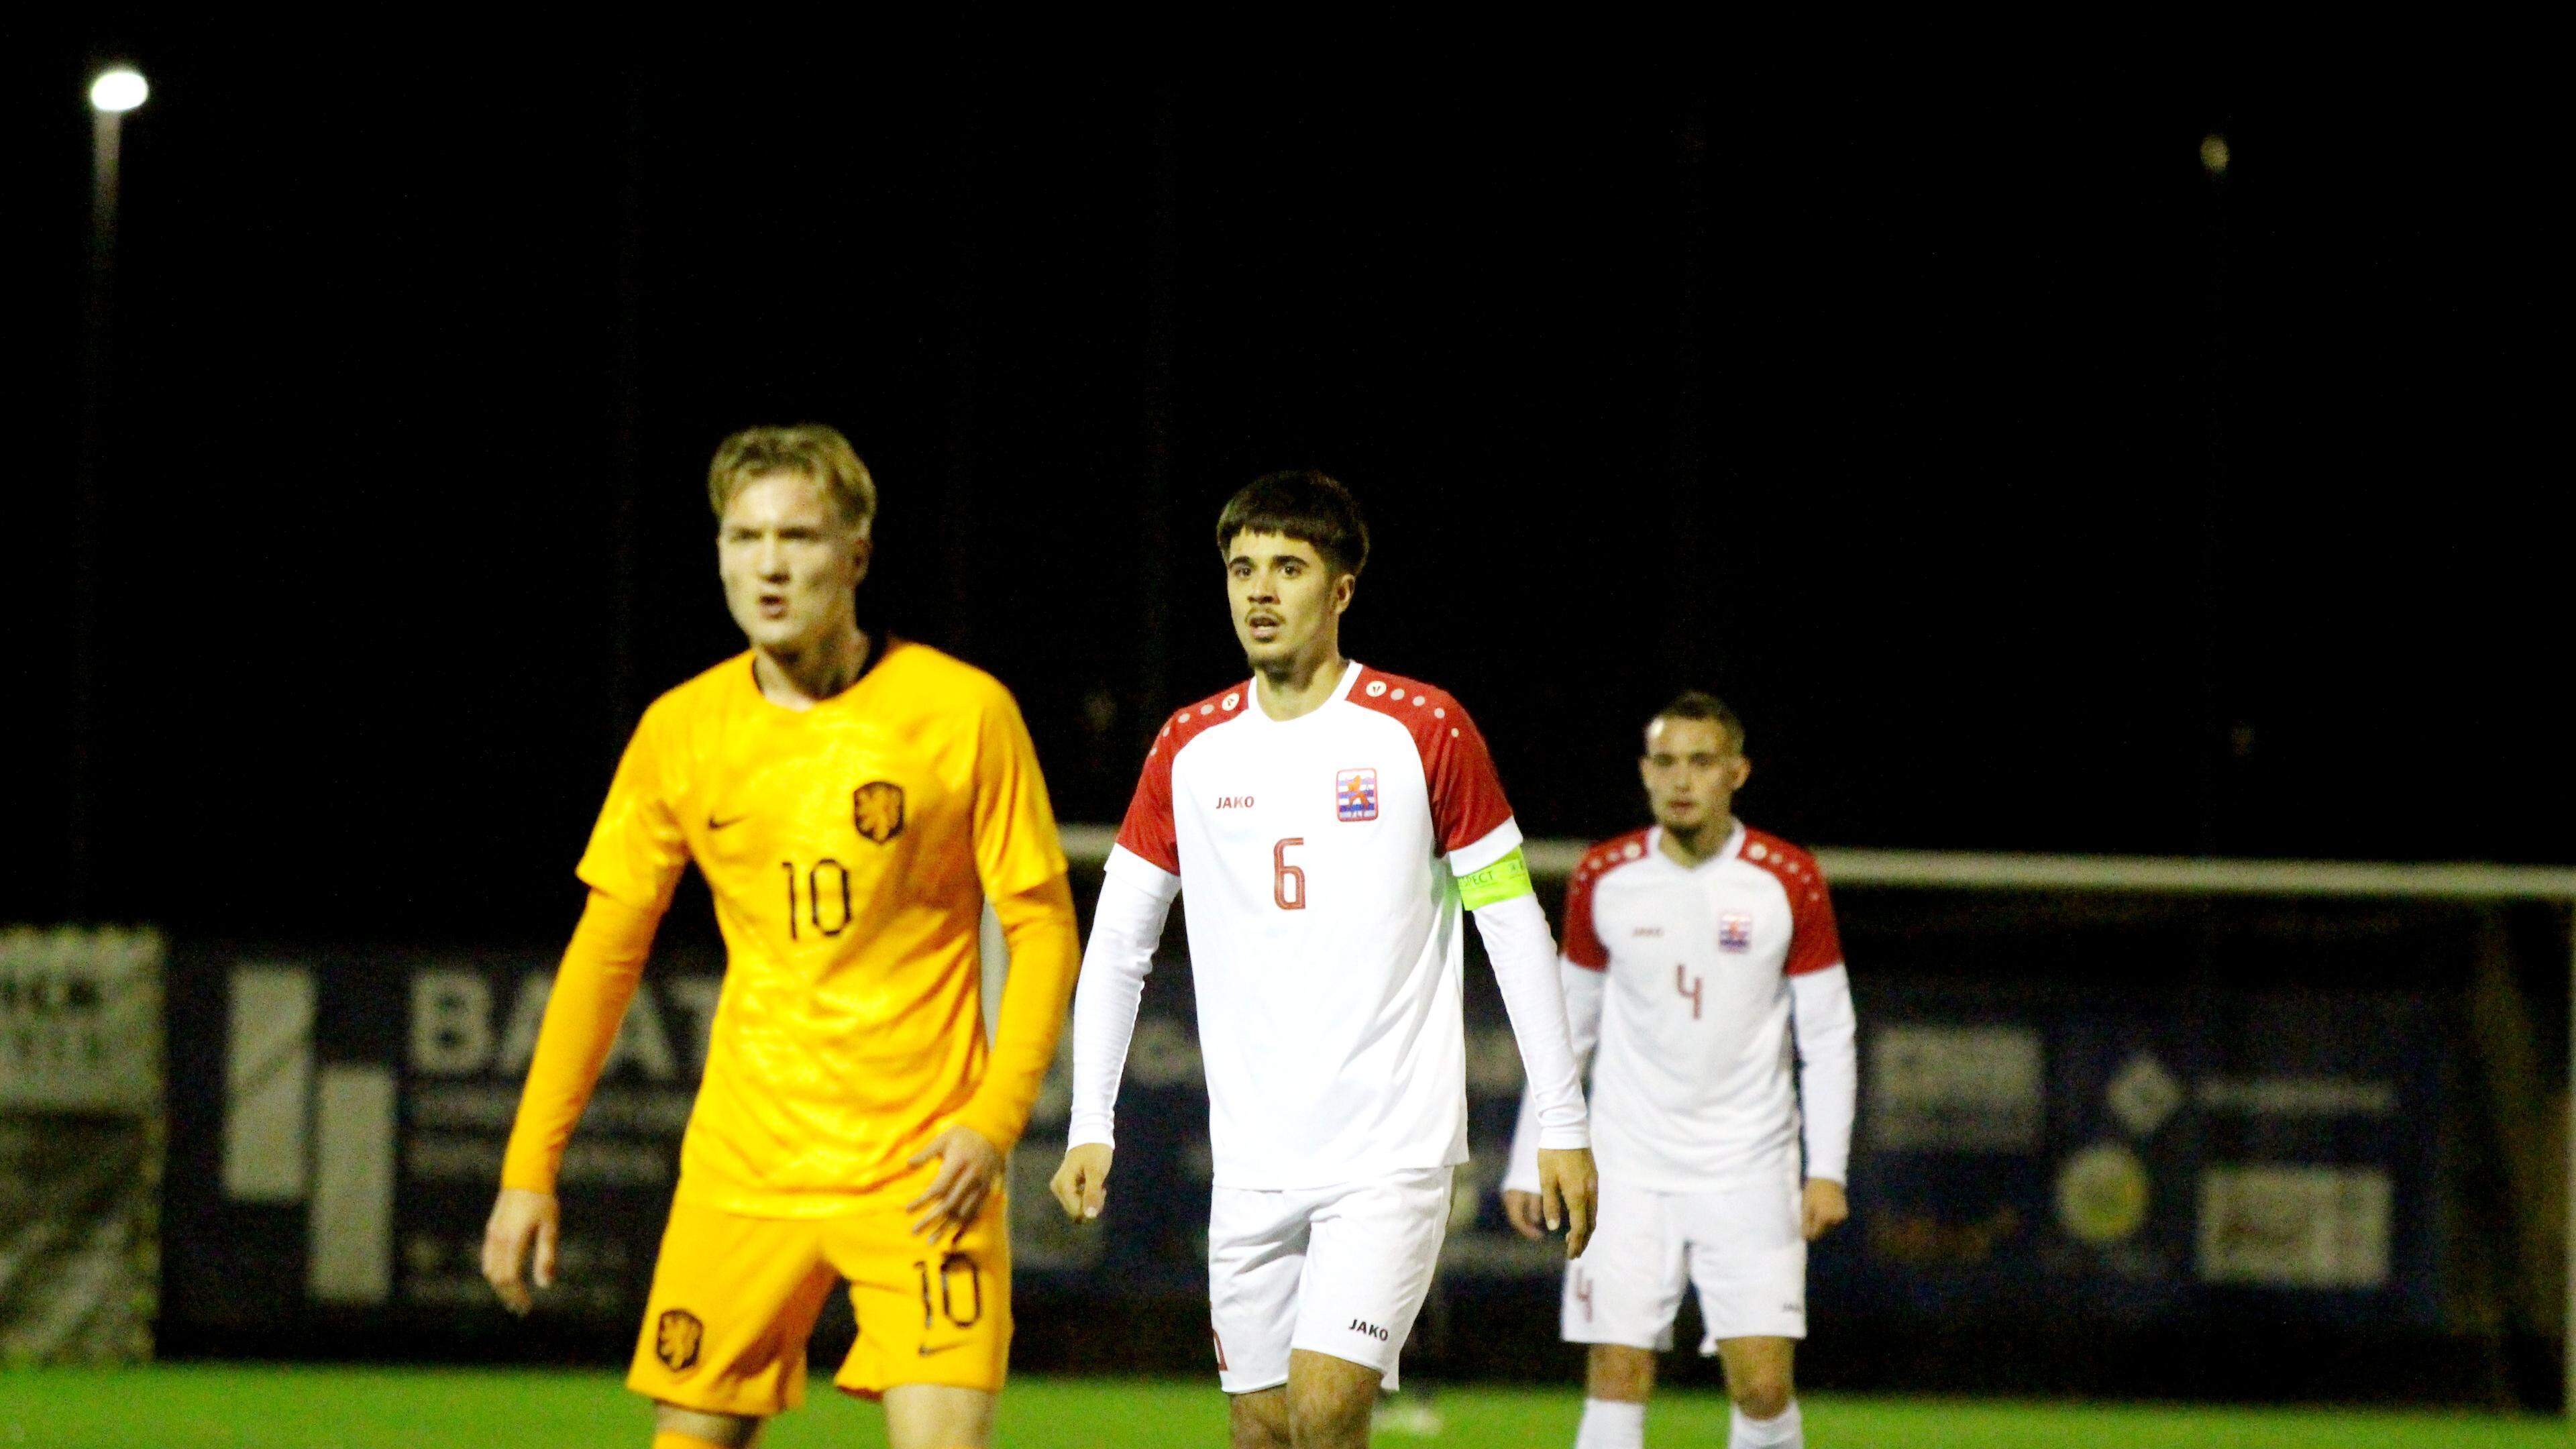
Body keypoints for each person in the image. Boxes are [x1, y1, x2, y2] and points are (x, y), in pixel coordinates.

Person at [480, 425, 1080, 1449]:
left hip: (925, 1171)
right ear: (718, 551)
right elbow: (603, 957)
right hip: (746, 1168)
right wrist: (529, 1170)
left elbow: (1043, 928)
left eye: (798, 537)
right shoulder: (683, 730)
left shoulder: (963, 711)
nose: (767, 563)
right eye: (743, 536)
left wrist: (994, 1119)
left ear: (856, 554)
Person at [1051, 470, 1599, 1449]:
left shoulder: (1423, 729)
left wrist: (1564, 1118)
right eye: (1242, 568)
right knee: (1264, 1432)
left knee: (1326, 1405)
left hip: (1389, 1153)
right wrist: (1092, 1118)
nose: (1259, 590)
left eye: (1288, 567)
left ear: (1340, 590)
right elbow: (1120, 945)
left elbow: (1513, 925)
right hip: (1254, 1160)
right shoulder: (1188, 748)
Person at [1502, 692, 1856, 1449]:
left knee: (1761, 1387)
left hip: (1750, 1165)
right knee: (1616, 1372)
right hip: (1627, 1162)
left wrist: (1827, 1168)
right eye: (1665, 762)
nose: (1681, 779)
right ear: (1645, 773)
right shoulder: (1606, 874)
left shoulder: (1786, 877)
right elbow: (1567, 1028)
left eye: (1701, 762)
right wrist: (1531, 1156)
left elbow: (1827, 1033)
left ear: (1738, 772)